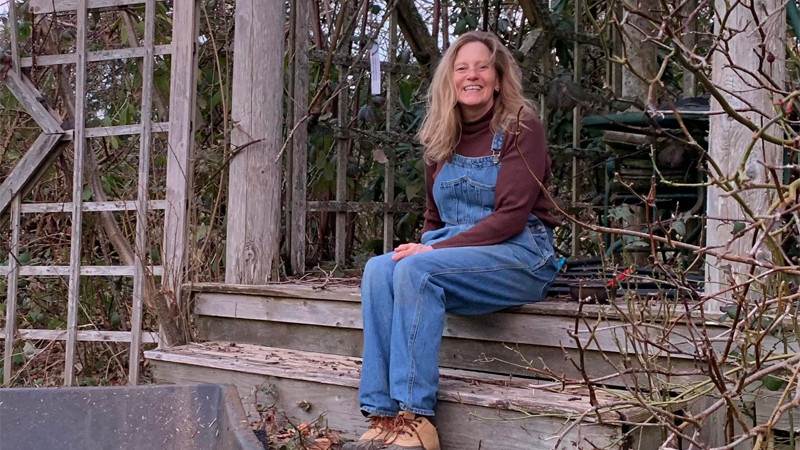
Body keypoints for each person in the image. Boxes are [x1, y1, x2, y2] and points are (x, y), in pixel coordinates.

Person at [344, 30, 560, 450]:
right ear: (451, 78)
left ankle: (414, 417)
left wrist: (431, 251)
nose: (472, 75)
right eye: (462, 68)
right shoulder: (442, 133)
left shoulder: (521, 127)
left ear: (498, 78)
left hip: (520, 252)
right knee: (377, 270)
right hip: (454, 255)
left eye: (482, 67)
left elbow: (512, 217)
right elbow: (433, 217)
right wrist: (430, 245)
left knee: (416, 267)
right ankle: (381, 413)